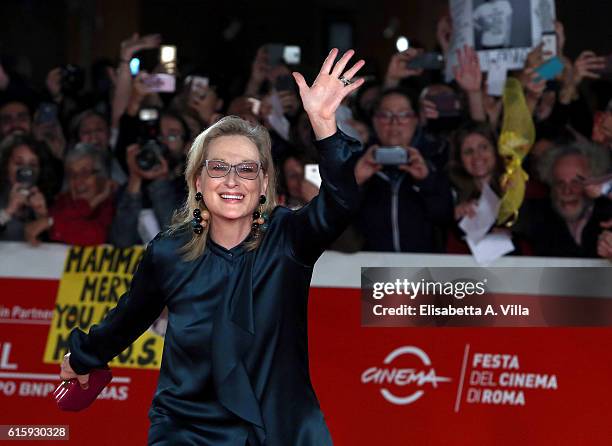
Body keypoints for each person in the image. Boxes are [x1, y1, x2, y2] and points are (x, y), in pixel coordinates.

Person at [59, 48, 365, 445]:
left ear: (263, 185)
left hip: (278, 428)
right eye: (218, 167)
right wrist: (83, 357)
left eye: (247, 169)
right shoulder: (169, 251)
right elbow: (130, 318)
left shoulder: (288, 238)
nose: (232, 180)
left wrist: (324, 125)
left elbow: (340, 203)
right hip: (188, 428)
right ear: (198, 183)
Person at [353, 88, 453, 252]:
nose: (394, 123)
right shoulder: (357, 163)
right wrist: (354, 182)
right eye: (385, 115)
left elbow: (445, 218)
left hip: (423, 271)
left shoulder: (436, 159)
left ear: (417, 120)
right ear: (374, 121)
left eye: (404, 115)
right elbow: (335, 225)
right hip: (367, 269)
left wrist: (426, 181)